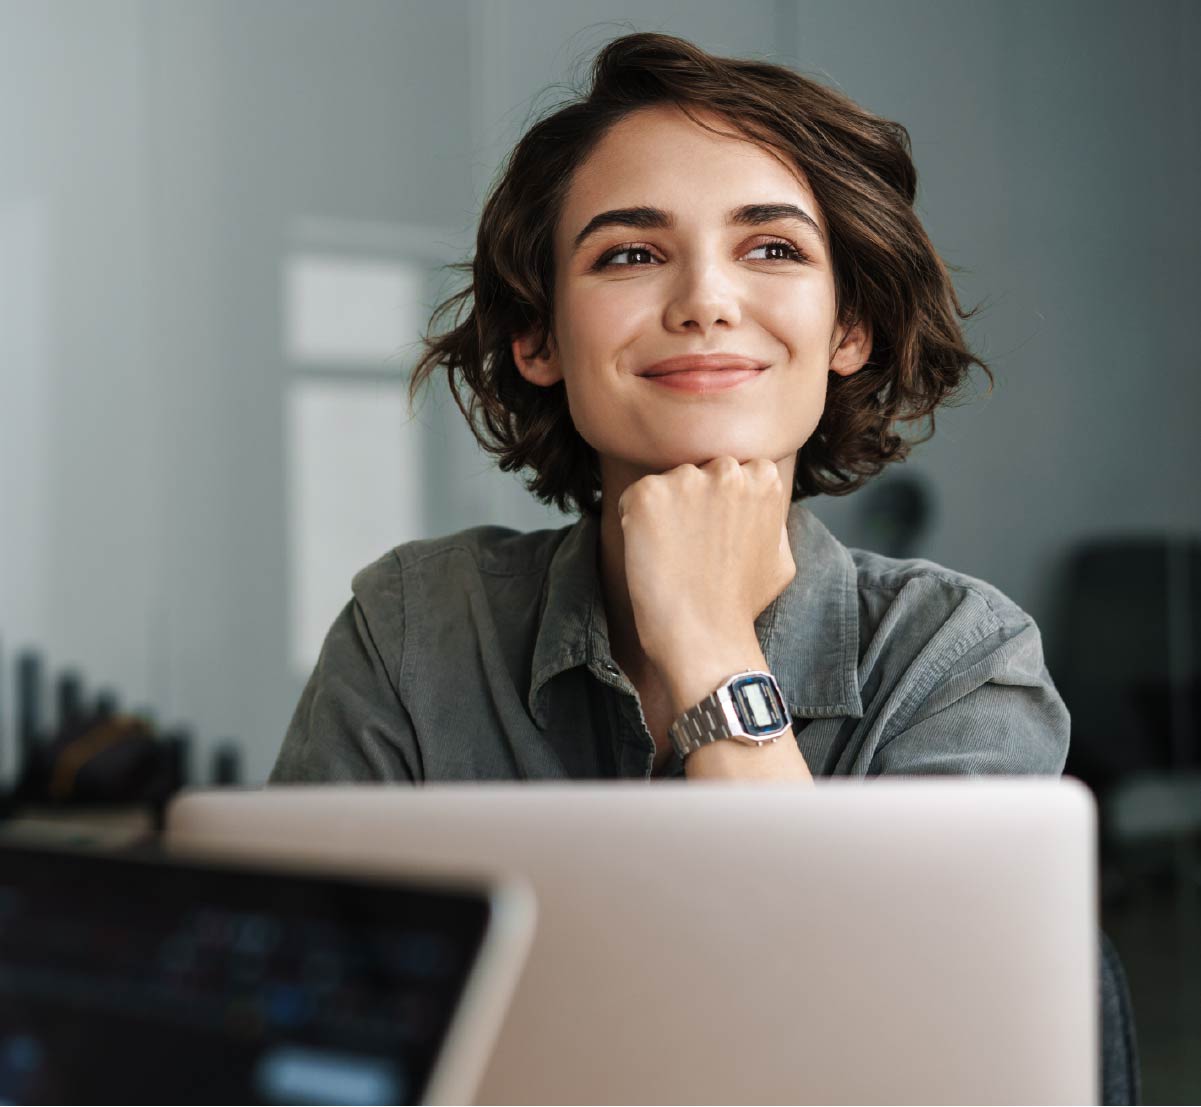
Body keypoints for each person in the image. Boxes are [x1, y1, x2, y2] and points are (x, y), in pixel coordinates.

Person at [268, 31, 1069, 787]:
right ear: (536, 337)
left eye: (772, 249)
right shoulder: (410, 630)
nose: (704, 302)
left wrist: (709, 642)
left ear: (848, 328)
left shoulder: (957, 658)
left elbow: (841, 942)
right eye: (630, 254)